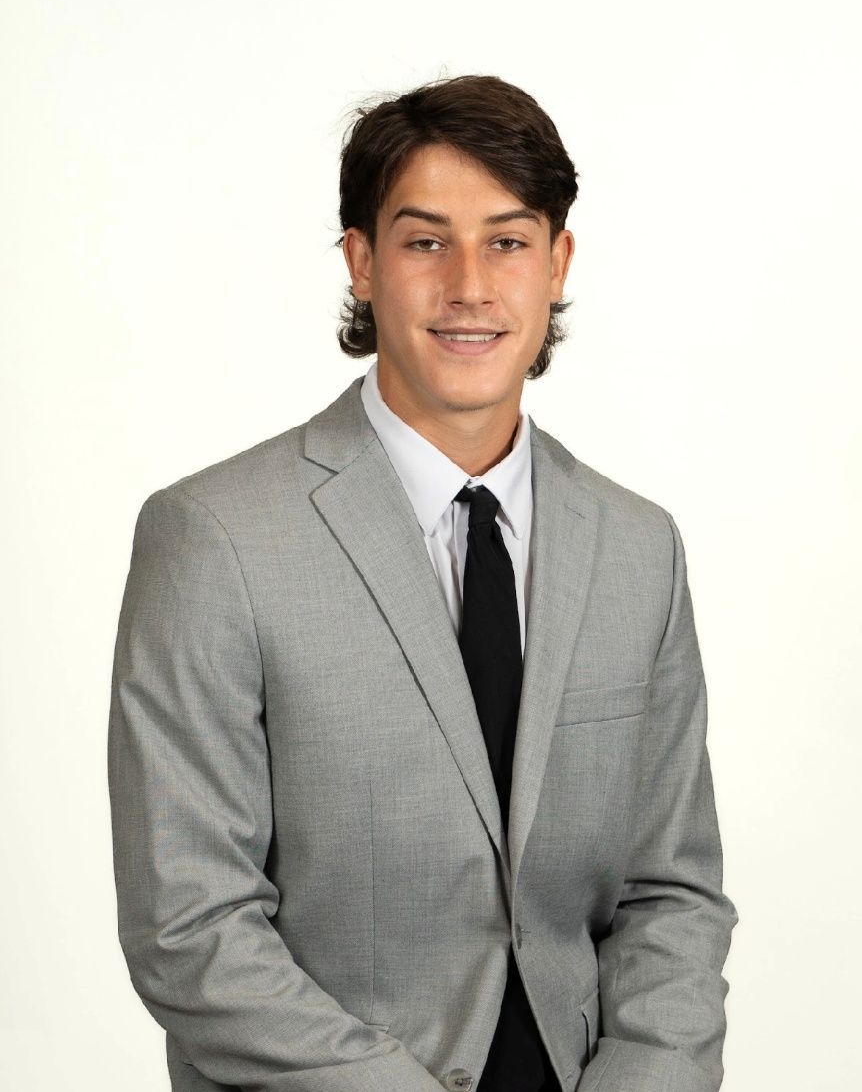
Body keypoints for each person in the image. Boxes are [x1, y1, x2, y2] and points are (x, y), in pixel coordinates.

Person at [108, 73, 738, 1092]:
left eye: (506, 240)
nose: (470, 288)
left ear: (556, 261)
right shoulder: (214, 538)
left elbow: (671, 891)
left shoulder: (637, 547)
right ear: (361, 262)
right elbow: (190, 926)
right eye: (423, 241)